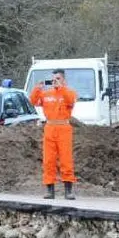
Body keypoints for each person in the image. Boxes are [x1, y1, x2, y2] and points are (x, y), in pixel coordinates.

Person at [29, 69, 78, 200]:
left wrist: (61, 88)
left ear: (63, 79)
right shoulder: (47, 93)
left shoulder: (69, 92)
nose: (55, 81)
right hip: (50, 127)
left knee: (66, 159)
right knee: (48, 160)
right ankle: (50, 189)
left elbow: (70, 101)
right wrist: (37, 89)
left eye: (58, 78)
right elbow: (33, 101)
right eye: (53, 79)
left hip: (64, 127)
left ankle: (68, 190)